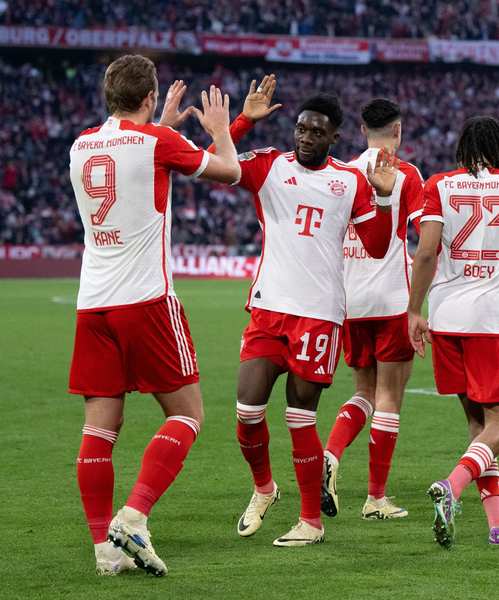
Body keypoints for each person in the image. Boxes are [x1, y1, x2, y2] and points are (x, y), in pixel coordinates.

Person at [68, 55, 241, 576]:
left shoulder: (81, 144)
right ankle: (134, 516)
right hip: (145, 300)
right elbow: (230, 172)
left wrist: (159, 126)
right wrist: (220, 129)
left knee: (100, 429)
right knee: (187, 413)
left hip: (92, 304)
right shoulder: (157, 142)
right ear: (149, 97)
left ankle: (104, 551)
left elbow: (133, 166)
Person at [218, 80, 397, 547]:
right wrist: (243, 121)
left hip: (318, 315)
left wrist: (383, 199)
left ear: (333, 137)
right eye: (301, 128)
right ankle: (264, 488)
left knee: (300, 419)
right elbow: (213, 161)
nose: (306, 137)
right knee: (247, 412)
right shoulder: (269, 165)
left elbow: (378, 247)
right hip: (268, 308)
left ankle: (310, 523)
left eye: (317, 132)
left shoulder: (350, 181)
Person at [408, 116, 499, 548]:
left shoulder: (438, 185)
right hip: (491, 321)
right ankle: (452, 486)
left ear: (463, 147)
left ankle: (497, 521)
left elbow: (426, 253)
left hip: (446, 320)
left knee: (478, 425)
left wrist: (414, 311)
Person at [321, 99, 424, 521]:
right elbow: (427, 234)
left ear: (362, 132)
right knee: (389, 399)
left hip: (350, 302)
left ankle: (331, 452)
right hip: (392, 299)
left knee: (363, 393)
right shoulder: (406, 174)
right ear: (397, 130)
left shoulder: (343, 173)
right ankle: (376, 499)